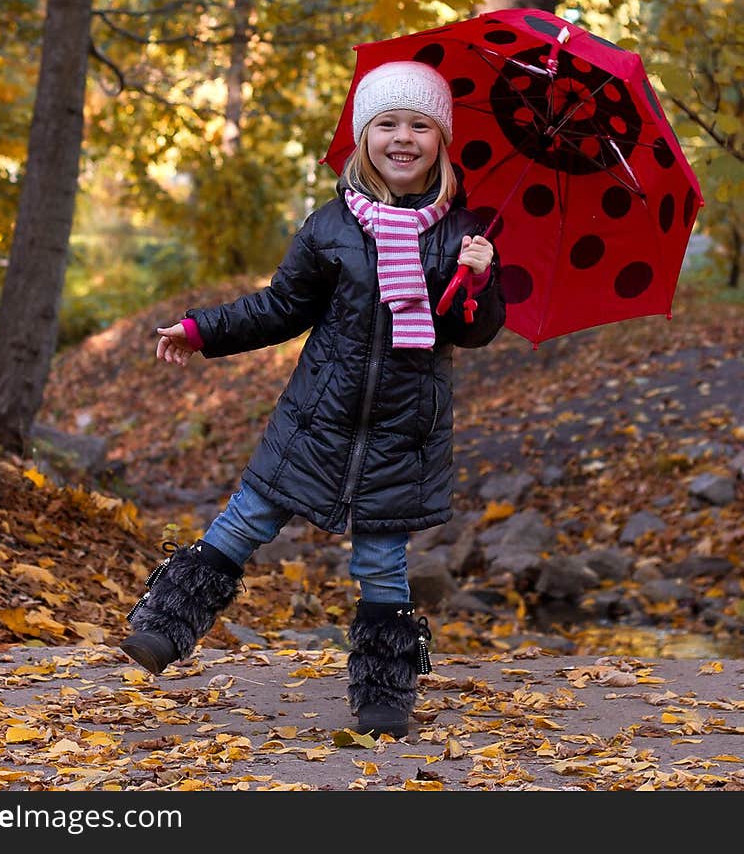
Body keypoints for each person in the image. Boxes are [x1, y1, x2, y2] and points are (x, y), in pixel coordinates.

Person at [121, 59, 506, 738]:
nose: (403, 137)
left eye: (421, 125)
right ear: (364, 137)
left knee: (382, 561)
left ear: (441, 141)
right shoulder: (330, 227)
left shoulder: (464, 234)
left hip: (403, 433)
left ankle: (385, 695)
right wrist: (200, 329)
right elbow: (279, 307)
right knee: (244, 522)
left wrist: (477, 282)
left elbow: (473, 333)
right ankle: (162, 630)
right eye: (387, 122)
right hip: (316, 418)